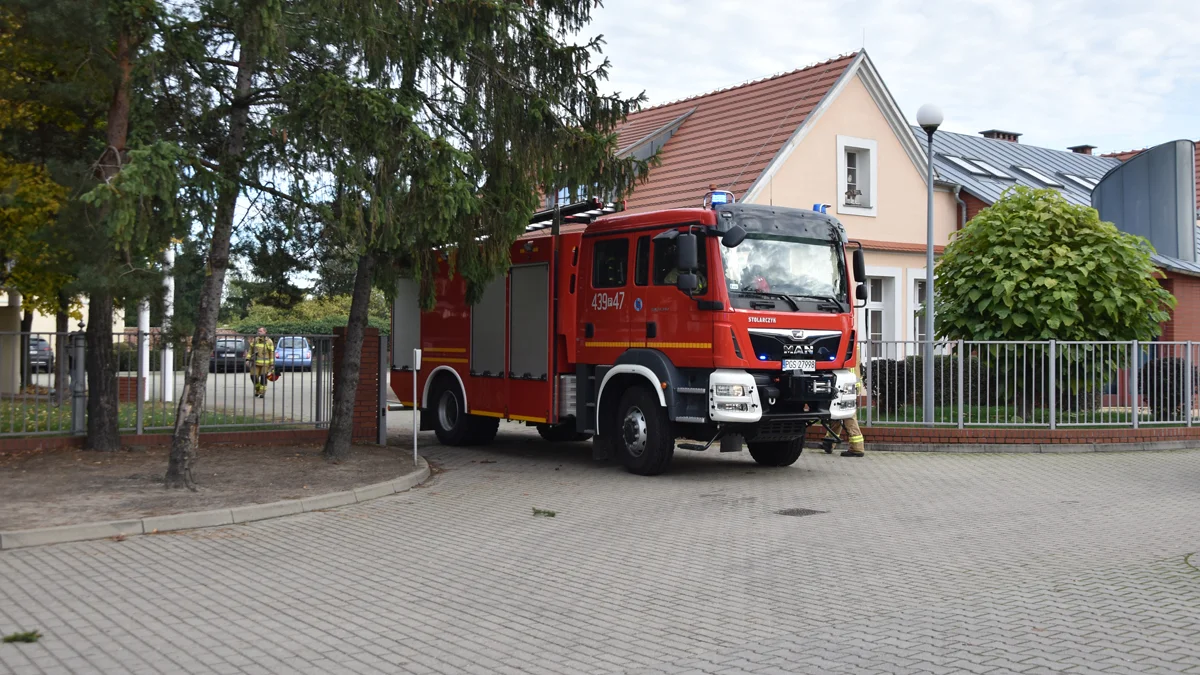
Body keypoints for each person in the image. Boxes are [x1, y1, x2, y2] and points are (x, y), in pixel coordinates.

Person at [823, 361, 866, 457]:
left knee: (848, 416)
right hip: (844, 381)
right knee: (836, 413)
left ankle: (857, 448)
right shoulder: (855, 347)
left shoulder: (850, 347)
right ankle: (829, 442)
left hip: (846, 383)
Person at [246, 327, 275, 399]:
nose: (259, 332)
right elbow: (250, 350)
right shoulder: (255, 340)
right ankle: (258, 390)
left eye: (261, 331)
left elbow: (271, 353)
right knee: (253, 376)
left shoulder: (269, 341)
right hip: (255, 363)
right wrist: (247, 359)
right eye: (258, 331)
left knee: (263, 377)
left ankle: (262, 392)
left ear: (265, 332)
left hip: (265, 364)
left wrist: (272, 364)